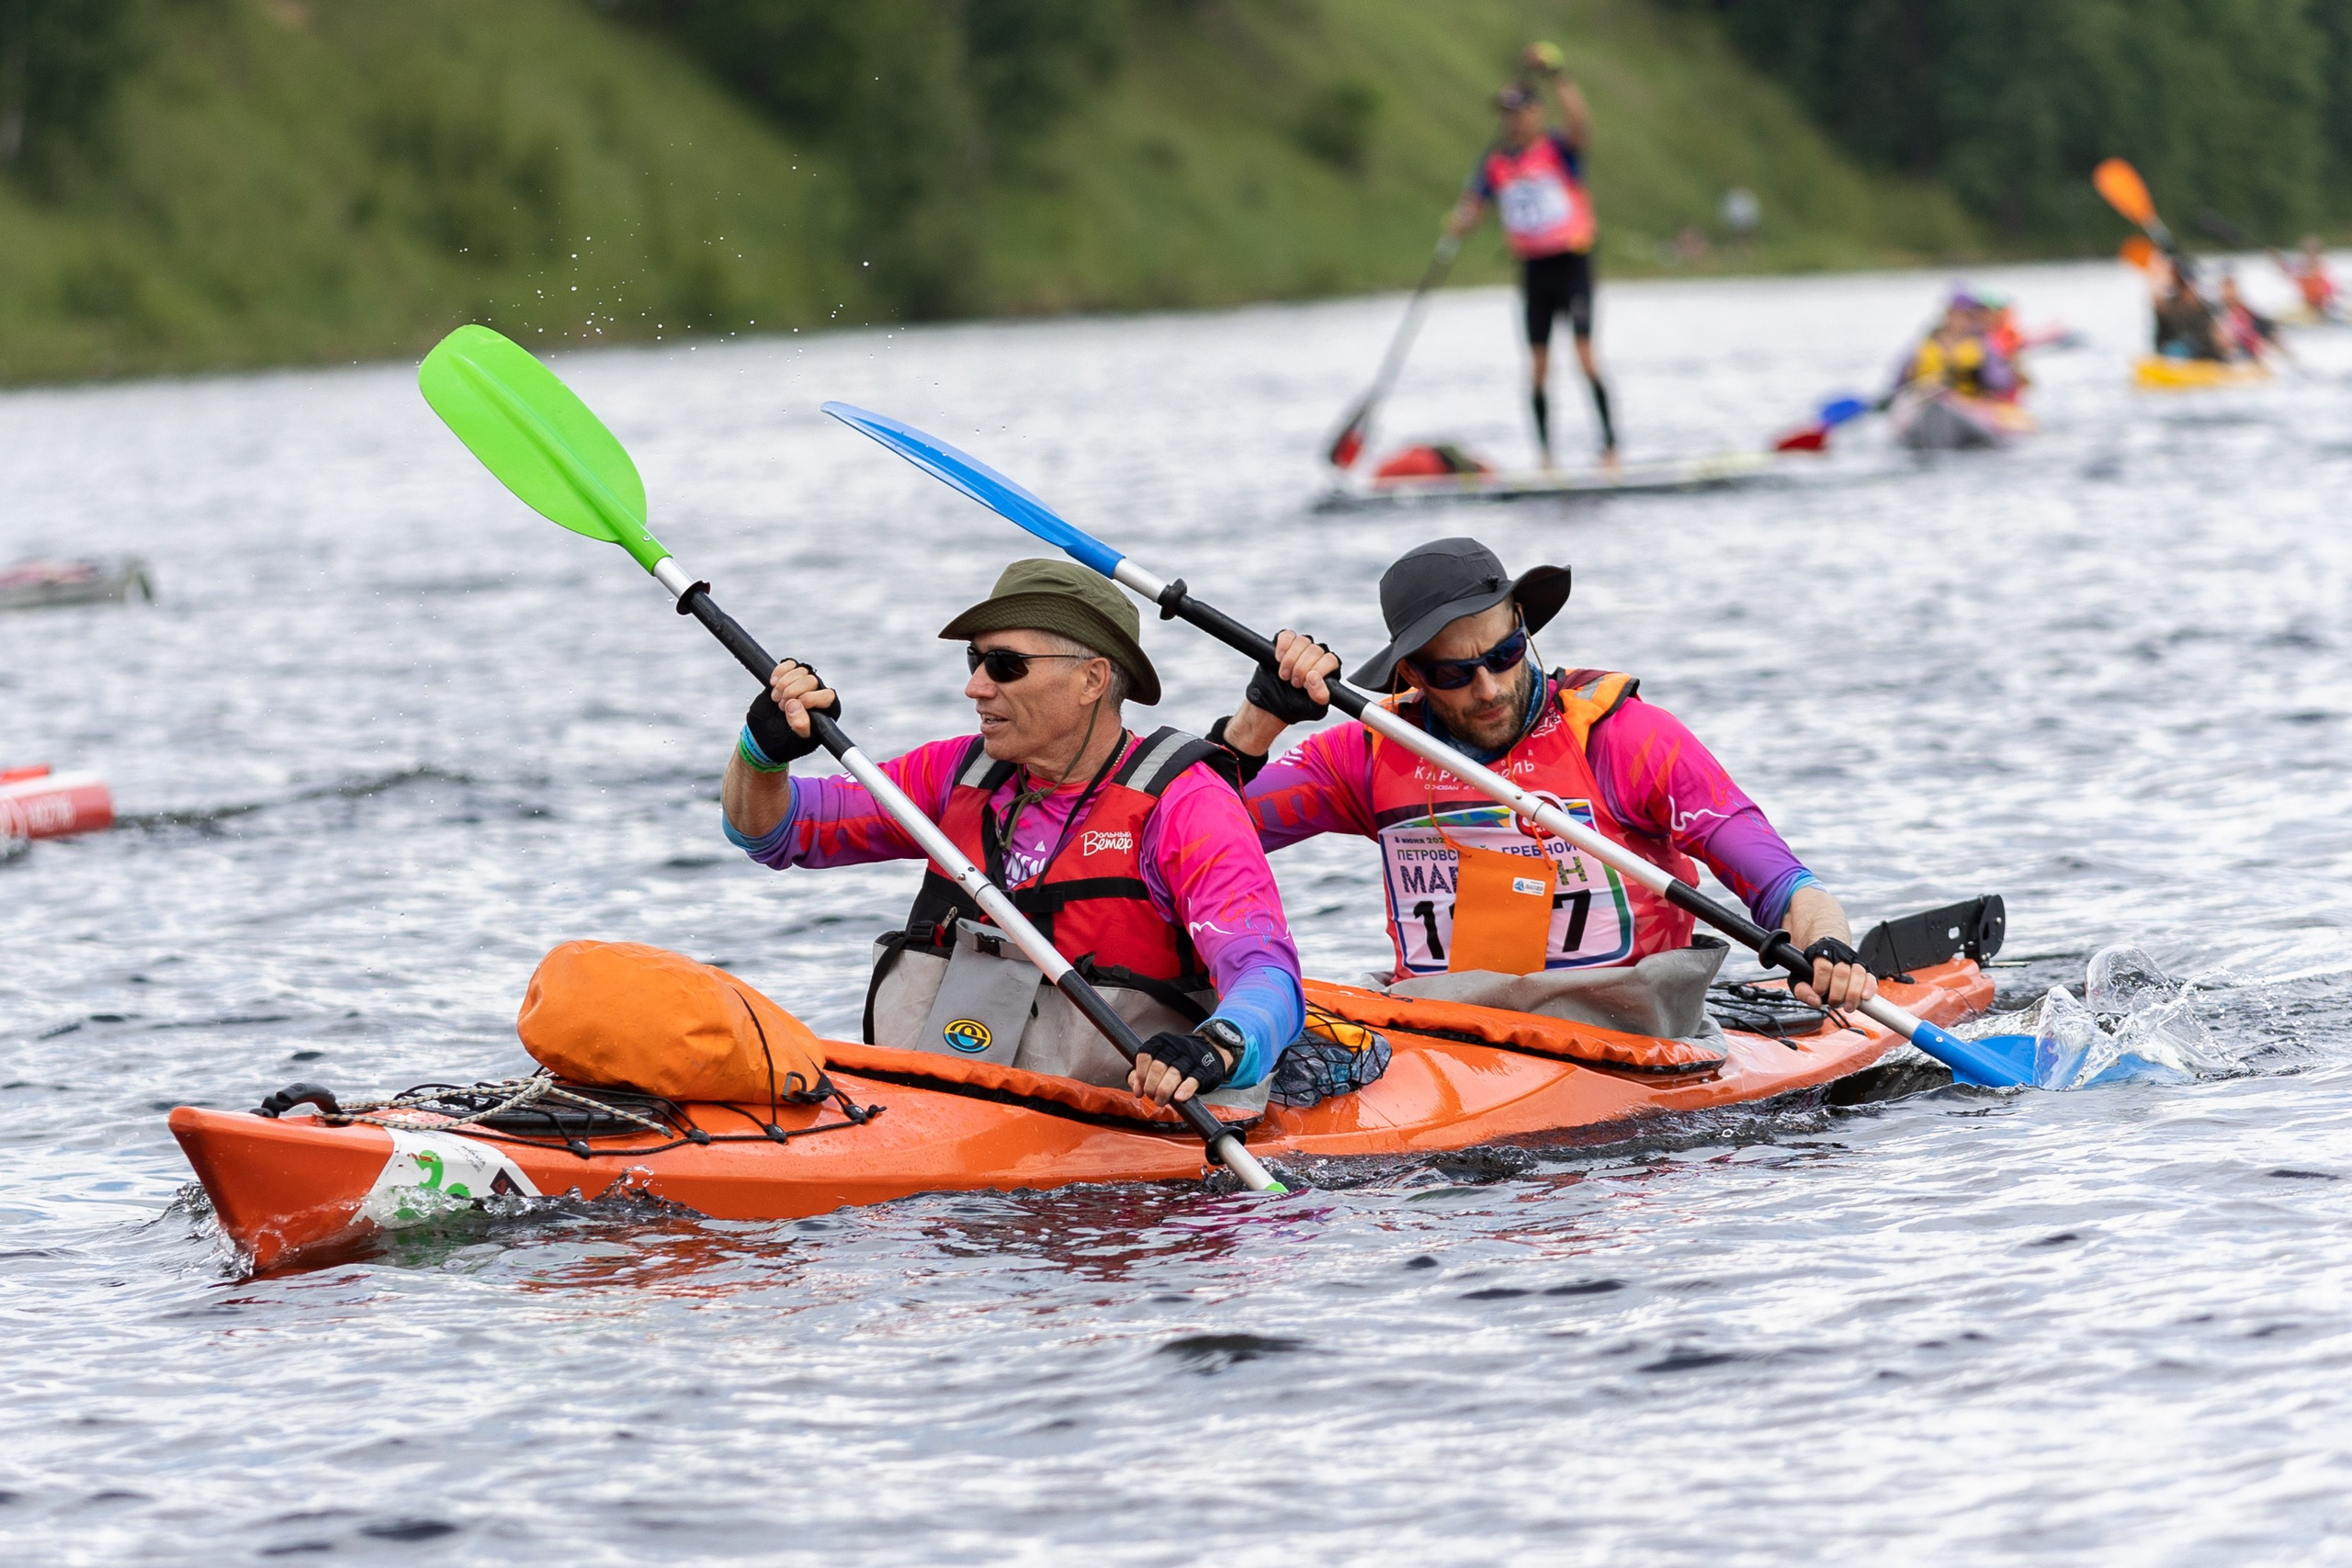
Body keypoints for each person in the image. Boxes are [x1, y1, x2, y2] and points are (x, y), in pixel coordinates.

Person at [1206, 537, 1879, 1018]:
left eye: (1504, 654)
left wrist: (1827, 943)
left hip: (1627, 1029)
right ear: (1410, 674)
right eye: (1454, 672)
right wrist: (1259, 723)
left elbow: (1783, 881)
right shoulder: (1372, 751)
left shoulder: (1625, 739)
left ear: (1524, 628)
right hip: (1446, 1036)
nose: (1489, 686)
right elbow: (1198, 841)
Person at [721, 559, 1305, 1110]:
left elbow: (1266, 972)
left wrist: (1218, 1044)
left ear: (1091, 679)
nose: (975, 687)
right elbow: (774, 833)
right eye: (973, 662)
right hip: (950, 1109)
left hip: (1119, 1138)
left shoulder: (1186, 803)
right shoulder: (956, 774)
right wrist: (764, 750)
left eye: (1004, 665)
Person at [1445, 42, 1616, 468]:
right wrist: (1461, 222)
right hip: (1534, 270)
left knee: (1584, 354)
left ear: (1536, 114)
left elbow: (1581, 123)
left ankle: (1610, 449)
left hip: (1571, 262)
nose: (1511, 121)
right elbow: (1471, 208)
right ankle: (1545, 457)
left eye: (1518, 112)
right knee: (1537, 366)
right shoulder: (1495, 163)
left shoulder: (1559, 149)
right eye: (1506, 114)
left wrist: (1557, 74)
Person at [2148, 253, 2224, 361]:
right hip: (2178, 353)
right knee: (2177, 348)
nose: (2190, 290)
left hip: (2206, 355)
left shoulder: (2207, 306)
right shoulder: (2170, 306)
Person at [2271, 235, 2341, 321]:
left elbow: (2299, 271)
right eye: (2307, 251)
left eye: (2313, 251)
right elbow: (2290, 269)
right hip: (2310, 305)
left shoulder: (2319, 268)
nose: (2310, 254)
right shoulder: (2302, 267)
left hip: (2324, 306)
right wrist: (2277, 258)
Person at [2216, 272, 2280, 362]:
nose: (2230, 294)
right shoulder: (2218, 313)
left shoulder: (2247, 311)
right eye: (2227, 290)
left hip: (2253, 351)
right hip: (2233, 354)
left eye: (2232, 290)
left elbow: (2264, 328)